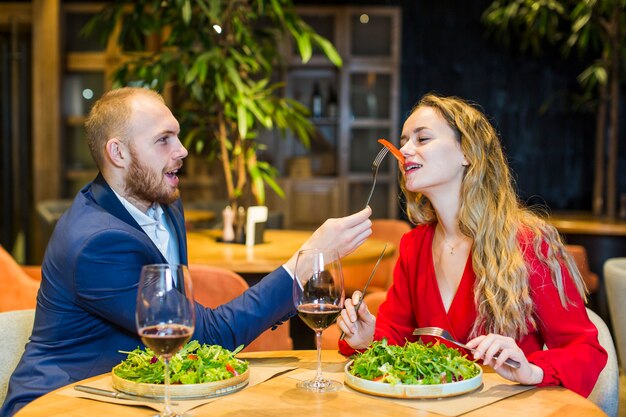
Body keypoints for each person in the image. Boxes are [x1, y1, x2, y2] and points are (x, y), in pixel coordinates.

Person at [1, 87, 372, 416]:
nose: (182, 150)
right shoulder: (95, 242)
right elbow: (204, 334)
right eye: (164, 140)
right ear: (118, 153)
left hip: (139, 393)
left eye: (177, 136)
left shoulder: (165, 203)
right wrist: (305, 260)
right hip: (64, 400)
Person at [337, 93, 607, 397]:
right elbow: (396, 336)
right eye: (404, 141)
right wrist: (366, 338)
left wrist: (530, 369)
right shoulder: (414, 245)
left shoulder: (528, 242)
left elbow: (585, 350)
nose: (404, 150)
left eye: (422, 139)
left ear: (467, 153)